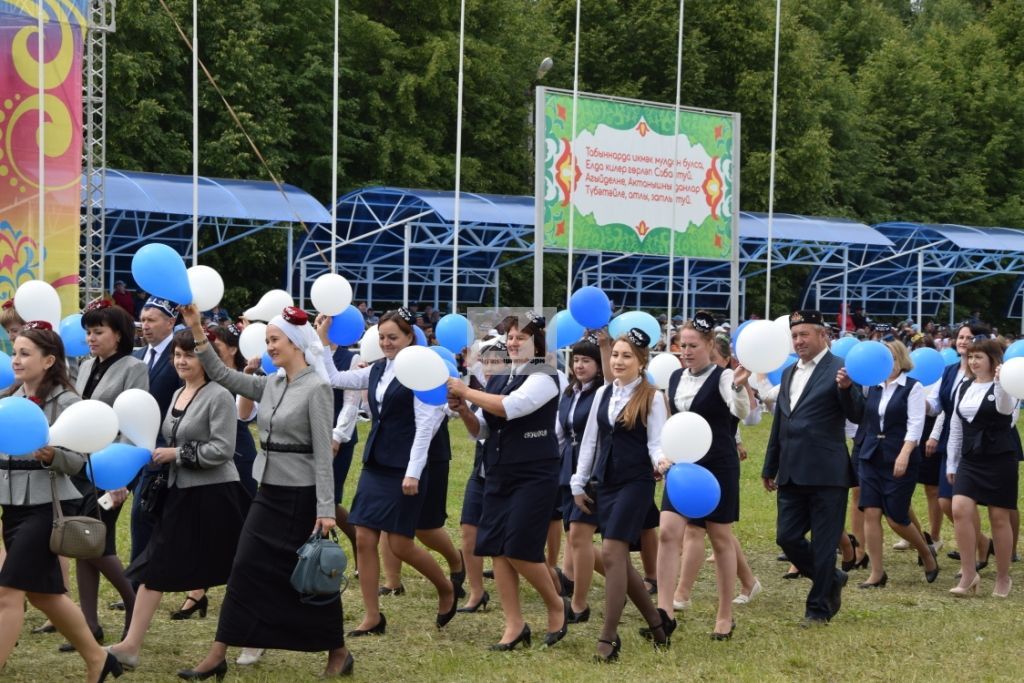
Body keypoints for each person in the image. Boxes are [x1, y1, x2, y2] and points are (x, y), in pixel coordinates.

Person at [178, 304, 352, 679]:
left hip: (302, 497)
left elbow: (324, 452)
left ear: (296, 343)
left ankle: (338, 651)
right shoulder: (269, 383)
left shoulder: (318, 387)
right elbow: (222, 373)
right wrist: (195, 328)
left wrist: (325, 508)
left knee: (309, 575)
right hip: (268, 491)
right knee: (243, 568)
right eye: (269, 339)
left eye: (275, 340)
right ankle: (218, 653)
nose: (269, 346)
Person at [106, 330, 250, 670]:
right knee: (155, 565)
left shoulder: (219, 396)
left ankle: (252, 639)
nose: (181, 361)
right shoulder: (176, 394)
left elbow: (223, 449)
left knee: (239, 569)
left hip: (215, 495)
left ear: (207, 359)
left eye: (189, 355)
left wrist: (177, 453)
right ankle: (130, 646)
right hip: (180, 494)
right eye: (177, 355)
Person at [314, 308, 457, 638]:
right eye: (381, 337)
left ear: (410, 337)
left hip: (404, 468)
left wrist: (413, 473)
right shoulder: (377, 369)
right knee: (364, 538)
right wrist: (322, 342)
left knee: (401, 544)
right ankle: (372, 616)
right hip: (376, 463)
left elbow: (426, 427)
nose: (386, 343)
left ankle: (445, 587)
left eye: (393, 337)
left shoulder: (421, 372)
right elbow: (333, 379)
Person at [0, 323, 123, 681]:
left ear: (49, 359)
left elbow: (79, 461)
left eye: (26, 353)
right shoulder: (11, 399)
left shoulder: (67, 402)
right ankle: (100, 661)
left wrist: (52, 454)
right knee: (44, 595)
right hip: (14, 507)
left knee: (8, 591)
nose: (17, 360)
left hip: (49, 508)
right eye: (15, 352)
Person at [447, 313, 568, 651]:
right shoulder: (500, 376)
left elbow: (511, 407)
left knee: (519, 549)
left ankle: (556, 605)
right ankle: (514, 625)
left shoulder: (545, 375)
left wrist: (466, 390)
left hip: (534, 473)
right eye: (511, 337)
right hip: (499, 470)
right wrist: (465, 411)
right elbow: (483, 429)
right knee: (497, 549)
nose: (514, 343)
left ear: (537, 342)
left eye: (521, 338)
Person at [570, 328, 672, 661]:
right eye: (615, 354)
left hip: (636, 482)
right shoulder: (603, 394)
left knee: (613, 553)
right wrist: (578, 481)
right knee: (620, 564)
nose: (618, 361)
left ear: (641, 362)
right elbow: (590, 441)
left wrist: (662, 461)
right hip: (606, 482)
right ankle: (657, 625)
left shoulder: (652, 396)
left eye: (627, 356)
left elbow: (656, 442)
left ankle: (608, 637)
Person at [657, 313, 757, 640]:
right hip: (683, 468)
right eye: (681, 345)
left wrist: (740, 387)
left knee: (720, 537)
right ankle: (665, 611)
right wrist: (665, 455)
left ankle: (725, 614)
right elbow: (672, 421)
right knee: (669, 532)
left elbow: (743, 413)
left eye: (693, 346)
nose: (686, 351)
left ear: (710, 345)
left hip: (718, 465)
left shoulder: (725, 377)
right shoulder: (673, 378)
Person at [761, 310, 863, 626]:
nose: (799, 340)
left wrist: (846, 390)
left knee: (823, 542)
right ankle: (831, 577)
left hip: (826, 472)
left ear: (823, 335)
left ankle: (818, 609)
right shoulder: (790, 372)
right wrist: (770, 464)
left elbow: (859, 414)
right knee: (787, 537)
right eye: (794, 335)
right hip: (791, 470)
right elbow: (781, 421)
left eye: (805, 334)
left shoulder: (840, 370)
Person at [67, 300, 146, 651]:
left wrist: (122, 478)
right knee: (84, 545)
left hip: (113, 464)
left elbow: (134, 420)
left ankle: (134, 604)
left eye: (98, 331)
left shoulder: (133, 367)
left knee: (96, 542)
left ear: (119, 334)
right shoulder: (85, 367)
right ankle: (89, 623)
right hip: (82, 463)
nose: (91, 338)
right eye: (88, 332)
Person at [842, 341, 938, 588]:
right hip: (871, 455)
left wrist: (905, 453)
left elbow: (916, 424)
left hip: (899, 455)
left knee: (896, 517)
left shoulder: (912, 387)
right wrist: (846, 387)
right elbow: (858, 414)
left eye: (890, 360)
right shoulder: (871, 386)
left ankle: (926, 553)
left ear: (900, 360)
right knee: (871, 512)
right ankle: (877, 572)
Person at [947, 338, 1019, 597]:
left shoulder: (1008, 386)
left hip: (999, 457)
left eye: (979, 357)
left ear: (992, 360)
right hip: (971, 458)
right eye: (970, 357)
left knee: (999, 518)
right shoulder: (963, 386)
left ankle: (1002, 577)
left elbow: (1005, 412)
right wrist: (952, 461)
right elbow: (956, 425)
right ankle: (969, 574)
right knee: (959, 508)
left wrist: (1000, 383)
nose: (973, 362)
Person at [926, 323, 994, 568]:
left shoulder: (985, 373)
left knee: (964, 502)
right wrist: (920, 409)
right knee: (946, 501)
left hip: (977, 444)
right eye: (961, 337)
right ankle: (982, 542)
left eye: (970, 337)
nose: (964, 341)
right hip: (950, 441)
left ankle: (977, 551)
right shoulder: (949, 370)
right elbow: (941, 406)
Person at [129, 297, 183, 597]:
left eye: (151, 320)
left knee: (143, 517)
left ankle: (138, 585)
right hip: (135, 448)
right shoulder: (137, 355)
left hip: (164, 449)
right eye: (143, 320)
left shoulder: (180, 356)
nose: (145, 326)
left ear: (170, 321)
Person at [457, 339, 509, 613]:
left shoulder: (512, 391)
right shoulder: (483, 392)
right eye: (486, 363)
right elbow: (477, 431)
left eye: (496, 362)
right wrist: (464, 409)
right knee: (468, 532)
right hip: (481, 471)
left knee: (506, 542)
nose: (489, 368)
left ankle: (552, 588)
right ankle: (476, 592)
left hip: (508, 473)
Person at [557, 337, 605, 622]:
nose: (579, 365)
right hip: (568, 466)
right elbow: (560, 433)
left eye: (586, 360)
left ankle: (579, 604)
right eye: (576, 360)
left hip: (593, 468)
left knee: (579, 534)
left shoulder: (601, 393)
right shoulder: (570, 392)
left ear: (599, 365)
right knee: (575, 538)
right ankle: (624, 580)